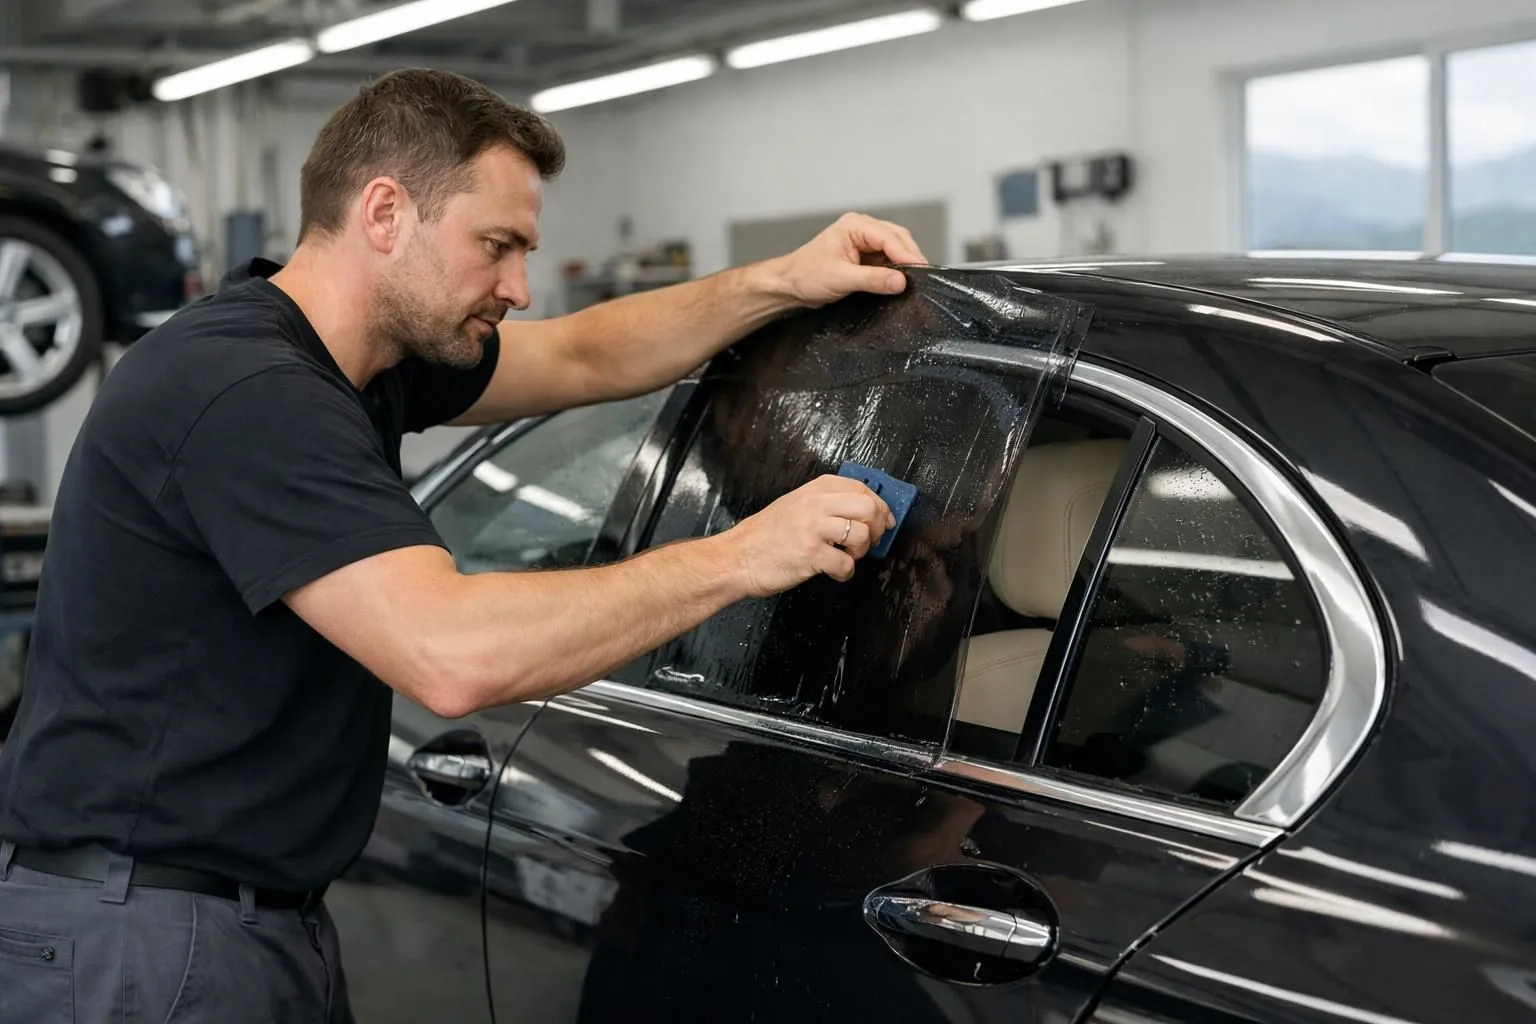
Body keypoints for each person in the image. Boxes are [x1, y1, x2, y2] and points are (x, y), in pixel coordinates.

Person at [0, 67, 926, 1023]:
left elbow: (583, 355)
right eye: (498, 246)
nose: (518, 287)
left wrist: (780, 278)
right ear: (386, 212)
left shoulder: (362, 365)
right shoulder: (246, 389)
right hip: (144, 939)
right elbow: (449, 654)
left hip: (236, 922)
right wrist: (744, 554)